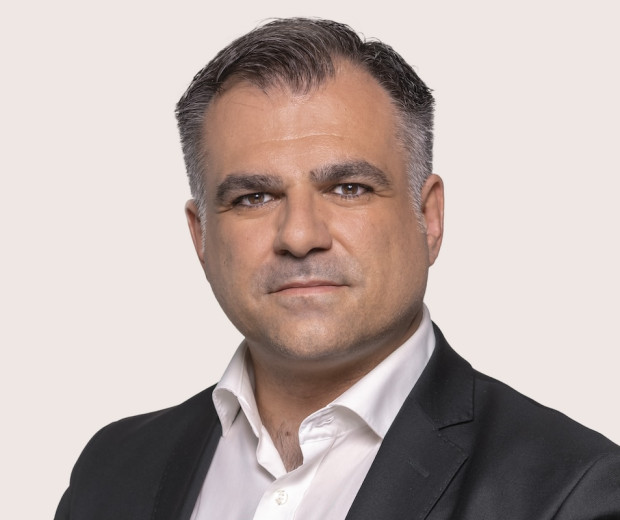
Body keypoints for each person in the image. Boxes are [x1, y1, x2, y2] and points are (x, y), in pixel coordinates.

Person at [55, 17, 620, 519]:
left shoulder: (571, 492)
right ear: (200, 236)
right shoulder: (113, 470)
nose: (300, 236)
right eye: (254, 197)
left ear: (429, 218)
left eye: (348, 188)